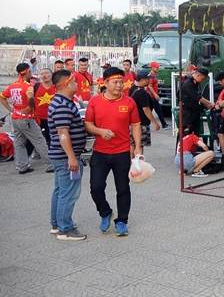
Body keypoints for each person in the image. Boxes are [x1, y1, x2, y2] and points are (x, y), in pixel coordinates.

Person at [84, 67, 142, 236]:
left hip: (122, 152)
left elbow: (136, 125)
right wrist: (100, 131)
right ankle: (105, 212)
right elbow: (88, 124)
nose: (119, 85)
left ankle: (122, 220)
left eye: (121, 82)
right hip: (100, 153)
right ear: (105, 82)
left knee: (123, 188)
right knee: (96, 187)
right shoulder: (95, 101)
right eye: (115, 82)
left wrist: (137, 146)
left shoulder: (129, 102)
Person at [48, 69, 88, 241]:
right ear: (66, 84)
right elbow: (63, 133)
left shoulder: (64, 102)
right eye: (74, 81)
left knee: (60, 191)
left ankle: (57, 224)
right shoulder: (62, 105)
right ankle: (65, 228)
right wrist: (72, 157)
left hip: (61, 156)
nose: (77, 84)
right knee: (69, 193)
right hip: (65, 158)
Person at [0, 63, 53, 173]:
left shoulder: (13, 85)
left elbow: (2, 96)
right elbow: (30, 96)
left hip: (15, 118)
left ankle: (22, 166)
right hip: (26, 119)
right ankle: (49, 165)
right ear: (27, 72)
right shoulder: (27, 86)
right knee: (40, 141)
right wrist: (30, 106)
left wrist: (10, 109)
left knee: (19, 143)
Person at [129, 70, 161, 157]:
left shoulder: (132, 89)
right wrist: (155, 122)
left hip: (132, 121)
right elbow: (146, 109)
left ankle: (131, 162)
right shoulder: (142, 93)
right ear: (142, 80)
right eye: (148, 79)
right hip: (142, 122)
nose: (149, 81)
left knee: (132, 144)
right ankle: (139, 162)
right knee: (140, 145)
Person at [180, 67, 215, 137]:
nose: (202, 80)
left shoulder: (196, 83)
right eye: (203, 78)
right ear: (198, 75)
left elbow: (199, 96)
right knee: (186, 133)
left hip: (195, 111)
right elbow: (197, 97)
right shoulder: (188, 83)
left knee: (195, 134)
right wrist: (210, 103)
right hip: (188, 113)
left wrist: (206, 104)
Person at [146, 61, 170, 129]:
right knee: (149, 112)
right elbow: (149, 86)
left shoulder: (152, 75)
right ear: (152, 67)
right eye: (156, 67)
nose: (158, 68)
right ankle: (145, 125)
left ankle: (164, 124)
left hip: (153, 97)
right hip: (151, 97)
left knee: (159, 110)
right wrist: (155, 94)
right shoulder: (151, 76)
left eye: (158, 67)